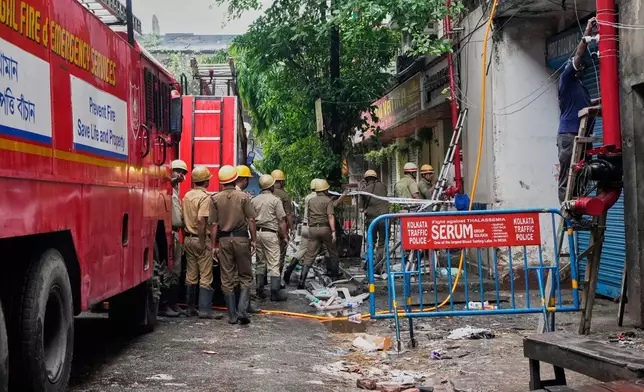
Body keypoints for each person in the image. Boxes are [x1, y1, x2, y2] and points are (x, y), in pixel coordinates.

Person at [212, 165, 257, 325]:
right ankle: (242, 311)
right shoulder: (244, 197)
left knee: (227, 278)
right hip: (241, 239)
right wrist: (254, 240)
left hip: (224, 241)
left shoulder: (215, 198)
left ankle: (232, 316)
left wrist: (213, 246)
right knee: (245, 276)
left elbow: (214, 224)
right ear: (234, 178)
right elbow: (251, 220)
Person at [557, 18, 595, 205]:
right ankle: (567, 207)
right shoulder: (566, 79)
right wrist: (587, 34)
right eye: (580, 66)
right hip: (570, 135)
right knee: (568, 174)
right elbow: (579, 55)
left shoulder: (580, 86)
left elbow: (586, 103)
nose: (582, 68)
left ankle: (579, 206)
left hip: (583, 136)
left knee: (583, 173)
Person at [182, 166, 222, 320]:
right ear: (206, 181)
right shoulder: (205, 198)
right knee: (205, 275)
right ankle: (205, 310)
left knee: (191, 274)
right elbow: (201, 220)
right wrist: (202, 242)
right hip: (199, 238)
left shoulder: (187, 196)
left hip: (187, 239)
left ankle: (190, 309)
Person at [251, 174, 289, 301]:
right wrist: (284, 236)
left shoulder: (254, 200)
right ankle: (274, 292)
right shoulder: (275, 200)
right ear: (271, 186)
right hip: (270, 234)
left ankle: (259, 290)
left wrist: (253, 238)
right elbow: (282, 220)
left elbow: (250, 220)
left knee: (260, 262)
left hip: (258, 233)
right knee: (274, 263)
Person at [159, 160, 189, 318]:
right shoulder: (167, 186)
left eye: (183, 172)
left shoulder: (176, 190)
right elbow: (166, 181)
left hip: (177, 233)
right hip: (169, 232)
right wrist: (174, 179)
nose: (180, 175)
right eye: (177, 171)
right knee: (168, 271)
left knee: (177, 271)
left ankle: (173, 303)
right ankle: (164, 305)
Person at [299, 179, 340, 289]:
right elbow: (330, 216)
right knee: (333, 252)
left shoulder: (311, 201)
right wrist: (333, 232)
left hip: (313, 229)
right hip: (325, 228)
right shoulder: (328, 201)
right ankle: (335, 277)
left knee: (309, 255)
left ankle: (301, 281)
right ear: (326, 189)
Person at [283, 179, 318, 285]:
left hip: (305, 227)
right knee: (311, 254)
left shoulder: (308, 197)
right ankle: (302, 281)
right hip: (314, 228)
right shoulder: (319, 198)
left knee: (301, 250)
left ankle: (288, 271)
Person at [359, 170, 389, 273]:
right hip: (384, 218)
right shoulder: (383, 186)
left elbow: (361, 209)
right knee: (382, 243)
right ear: (376, 178)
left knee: (371, 242)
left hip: (372, 220)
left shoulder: (364, 191)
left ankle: (369, 263)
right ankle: (378, 266)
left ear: (366, 180)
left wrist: (361, 190)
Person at [271, 169, 294, 279]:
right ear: (281, 182)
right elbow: (288, 214)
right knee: (280, 255)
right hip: (281, 229)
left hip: (266, 229)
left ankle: (262, 282)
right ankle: (277, 281)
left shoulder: (264, 193)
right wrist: (291, 229)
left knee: (264, 257)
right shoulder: (284, 195)